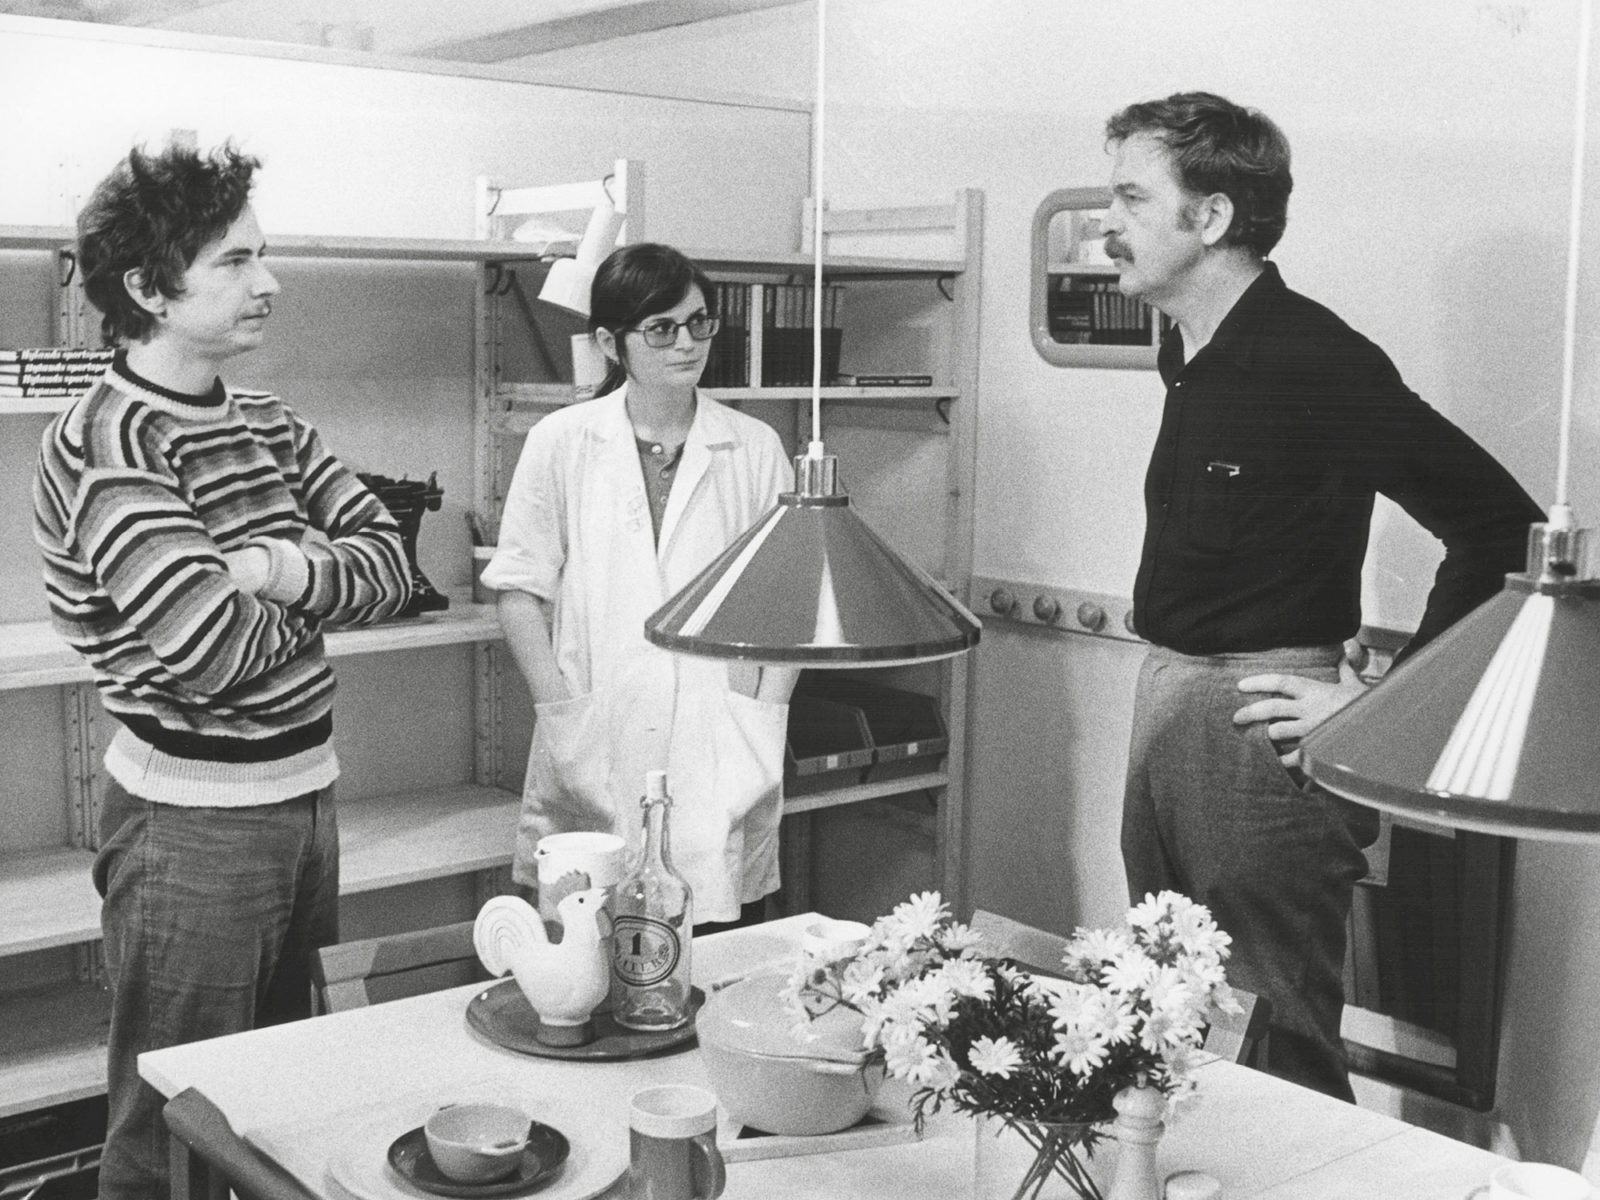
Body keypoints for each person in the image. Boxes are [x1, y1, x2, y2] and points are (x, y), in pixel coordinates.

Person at [1102, 92, 1542, 1100]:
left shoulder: (1310, 355)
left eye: (1131, 198)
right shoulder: (1186, 350)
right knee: (1167, 1024)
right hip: (1165, 701)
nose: (1107, 225)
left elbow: (1502, 529)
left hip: (1256, 730)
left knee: (1273, 1053)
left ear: (1209, 218)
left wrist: (1384, 709)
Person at [32, 143, 412, 1199]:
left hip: (303, 796)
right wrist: (312, 593)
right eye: (237, 262)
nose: (270, 283)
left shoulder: (265, 420)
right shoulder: (109, 442)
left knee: (279, 1107)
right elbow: (215, 656)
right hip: (190, 824)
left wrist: (272, 566)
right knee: (172, 1126)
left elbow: (394, 565)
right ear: (152, 288)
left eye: (264, 256)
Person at [482, 242, 793, 932]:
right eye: (661, 329)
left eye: (699, 323)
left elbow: (788, 607)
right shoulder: (562, 441)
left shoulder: (755, 448)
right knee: (585, 952)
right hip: (598, 732)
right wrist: (564, 714)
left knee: (711, 945)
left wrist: (762, 721)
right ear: (609, 342)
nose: (686, 343)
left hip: (720, 743)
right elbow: (518, 592)